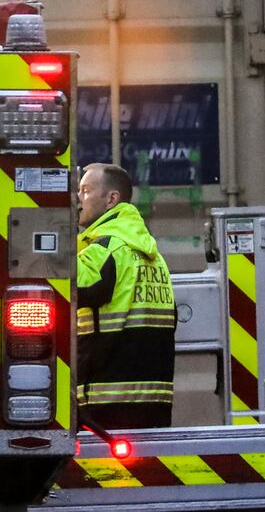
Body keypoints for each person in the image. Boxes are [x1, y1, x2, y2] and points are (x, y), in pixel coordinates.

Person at [75, 161, 177, 431]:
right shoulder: (154, 258)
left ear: (111, 199)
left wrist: (54, 233)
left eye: (85, 191)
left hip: (104, 409)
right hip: (155, 405)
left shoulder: (106, 249)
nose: (78, 199)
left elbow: (67, 286)